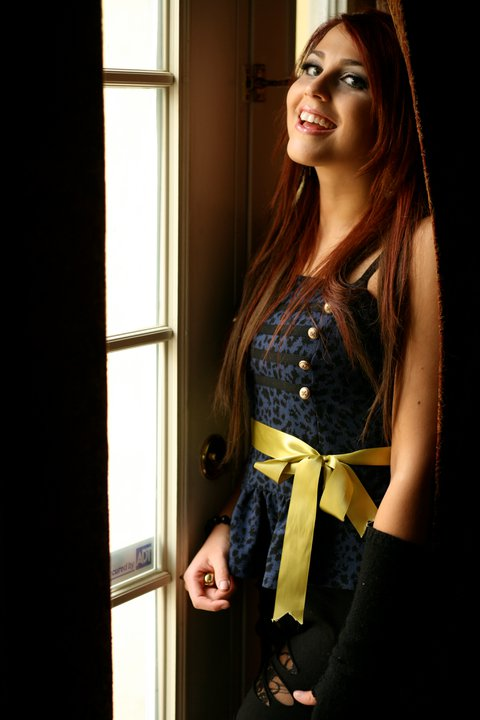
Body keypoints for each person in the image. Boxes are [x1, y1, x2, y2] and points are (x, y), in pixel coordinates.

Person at [183, 8, 439, 719]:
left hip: (365, 598)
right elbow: (283, 430)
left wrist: (357, 668)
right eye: (310, 68)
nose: (315, 90)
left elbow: (417, 470)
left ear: (396, 112)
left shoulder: (415, 248)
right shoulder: (287, 246)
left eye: (352, 80)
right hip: (288, 579)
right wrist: (228, 527)